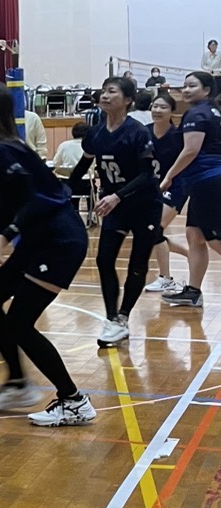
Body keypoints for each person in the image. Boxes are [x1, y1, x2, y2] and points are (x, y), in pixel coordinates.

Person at [0, 80, 93, 427]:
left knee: (19, 322)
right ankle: (18, 384)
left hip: (60, 240)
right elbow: (10, 205)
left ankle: (74, 401)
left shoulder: (4, 150)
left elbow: (38, 200)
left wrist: (6, 237)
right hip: (37, 238)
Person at [69, 77, 162, 347]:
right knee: (104, 259)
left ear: (128, 100)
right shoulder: (95, 133)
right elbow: (83, 166)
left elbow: (147, 175)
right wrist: (62, 190)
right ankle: (112, 319)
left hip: (144, 205)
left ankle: (123, 316)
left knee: (138, 264)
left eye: (112, 92)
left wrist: (117, 195)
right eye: (104, 91)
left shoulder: (138, 132)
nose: (105, 95)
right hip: (116, 206)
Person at [157, 71, 221, 309]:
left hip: (208, 181)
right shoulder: (212, 111)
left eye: (192, 86)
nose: (185, 90)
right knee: (195, 236)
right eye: (184, 86)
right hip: (202, 181)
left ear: (207, 90)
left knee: (215, 240)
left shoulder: (197, 114)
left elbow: (190, 150)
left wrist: (169, 176)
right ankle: (193, 292)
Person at [144, 90, 187, 293]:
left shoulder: (178, 137)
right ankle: (191, 255)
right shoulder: (144, 133)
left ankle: (166, 278)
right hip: (150, 189)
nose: (158, 110)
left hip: (175, 187)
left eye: (163, 107)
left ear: (172, 112)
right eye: (155, 106)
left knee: (155, 228)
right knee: (151, 232)